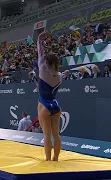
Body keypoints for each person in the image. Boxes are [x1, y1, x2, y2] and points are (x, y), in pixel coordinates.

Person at [37, 31, 62, 161]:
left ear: (46, 62)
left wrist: (39, 40)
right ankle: (55, 159)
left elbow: (40, 55)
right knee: (56, 134)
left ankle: (47, 159)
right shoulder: (60, 76)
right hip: (55, 105)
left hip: (44, 104)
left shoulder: (42, 69)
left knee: (47, 134)